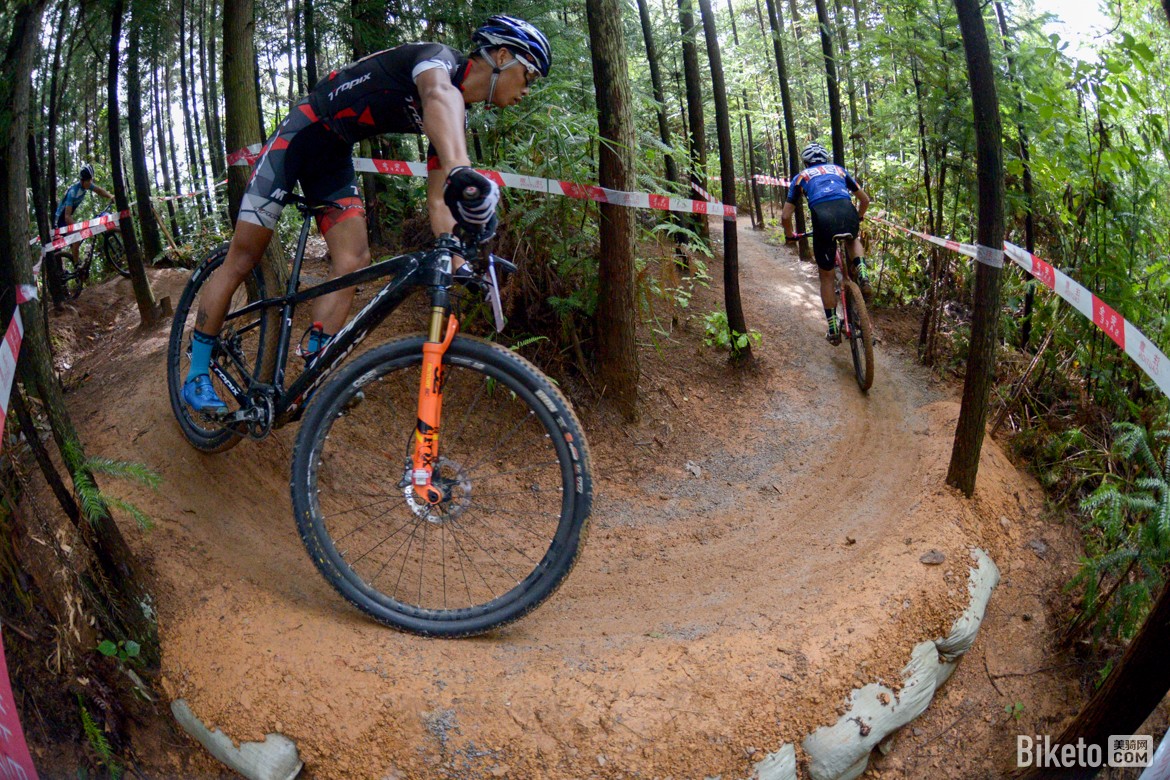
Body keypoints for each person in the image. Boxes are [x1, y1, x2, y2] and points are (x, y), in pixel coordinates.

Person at [181, 15, 551, 412]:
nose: (527, 90)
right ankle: (197, 370)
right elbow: (437, 95)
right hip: (300, 135)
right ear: (500, 55)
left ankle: (316, 358)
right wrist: (462, 170)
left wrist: (464, 261)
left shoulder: (454, 118)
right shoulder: (437, 63)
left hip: (334, 156)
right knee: (243, 256)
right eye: (528, 76)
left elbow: (440, 202)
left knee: (354, 259)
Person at [781, 142, 871, 346]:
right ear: (825, 159)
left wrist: (790, 236)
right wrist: (859, 218)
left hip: (823, 222)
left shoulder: (801, 177)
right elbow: (864, 200)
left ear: (806, 161)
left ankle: (832, 327)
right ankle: (863, 274)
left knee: (827, 278)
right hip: (847, 212)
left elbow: (786, 215)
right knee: (853, 238)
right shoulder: (839, 170)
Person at [54, 164, 115, 269]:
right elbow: (67, 217)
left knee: (81, 233)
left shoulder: (86, 185)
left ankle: (78, 264)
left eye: (91, 180)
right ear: (83, 180)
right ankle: (76, 266)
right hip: (60, 221)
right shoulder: (73, 192)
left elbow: (99, 190)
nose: (91, 183)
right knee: (77, 238)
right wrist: (78, 228)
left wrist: (110, 196)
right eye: (89, 181)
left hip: (66, 218)